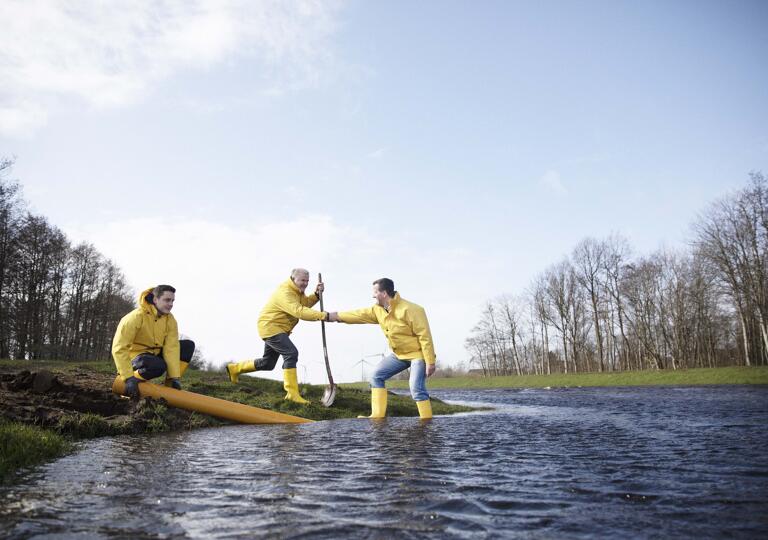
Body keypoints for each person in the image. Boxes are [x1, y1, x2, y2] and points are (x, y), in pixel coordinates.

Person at [328, 278, 436, 419]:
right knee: (376, 376)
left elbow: (425, 336)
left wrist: (430, 362)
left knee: (416, 388)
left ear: (384, 293)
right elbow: (359, 314)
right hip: (398, 355)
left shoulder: (412, 309)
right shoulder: (378, 310)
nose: (373, 296)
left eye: (375, 292)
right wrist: (335, 316)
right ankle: (377, 416)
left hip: (418, 354)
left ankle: (427, 422)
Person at [225, 268, 330, 404]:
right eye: (302, 280)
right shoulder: (285, 292)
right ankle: (292, 393)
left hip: (278, 329)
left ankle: (234, 369)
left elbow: (304, 305)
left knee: (268, 363)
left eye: (307, 281)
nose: (305, 283)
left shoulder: (298, 291)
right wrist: (324, 316)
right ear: (293, 278)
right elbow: (299, 311)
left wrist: (316, 295)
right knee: (291, 353)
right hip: (270, 327)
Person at [112, 284, 195, 399]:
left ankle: (170, 385)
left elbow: (171, 348)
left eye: (172, 301)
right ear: (155, 299)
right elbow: (119, 348)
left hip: (153, 355)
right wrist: (128, 377)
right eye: (167, 300)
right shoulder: (135, 317)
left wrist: (173, 377)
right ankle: (129, 383)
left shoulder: (170, 320)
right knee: (157, 365)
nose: (171, 304)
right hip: (135, 358)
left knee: (188, 346)